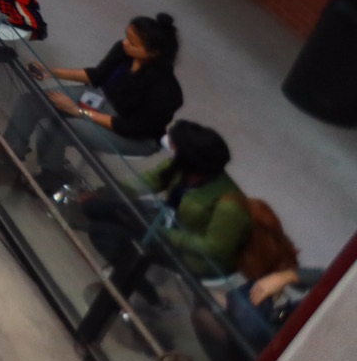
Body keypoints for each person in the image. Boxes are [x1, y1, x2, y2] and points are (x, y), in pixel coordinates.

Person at [83, 121, 250, 289]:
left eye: (174, 147)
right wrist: (105, 192)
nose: (169, 148)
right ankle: (129, 267)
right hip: (167, 221)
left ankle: (139, 288)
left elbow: (213, 249)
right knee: (96, 207)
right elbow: (149, 181)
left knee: (103, 232)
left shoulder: (230, 204)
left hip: (194, 257)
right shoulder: (181, 167)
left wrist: (159, 232)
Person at [14, 13, 184, 166]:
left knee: (57, 128)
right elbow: (97, 76)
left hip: (132, 134)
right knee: (30, 101)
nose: (125, 43)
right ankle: (13, 153)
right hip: (100, 100)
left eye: (132, 43)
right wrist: (51, 72)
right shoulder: (124, 51)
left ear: (154, 53)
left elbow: (130, 127)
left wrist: (78, 111)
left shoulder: (166, 92)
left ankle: (52, 177)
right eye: (126, 37)